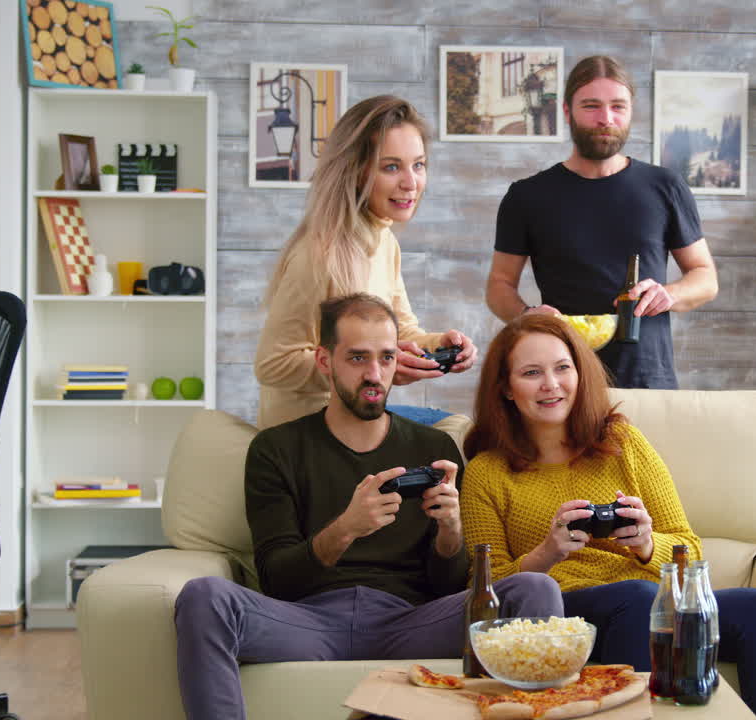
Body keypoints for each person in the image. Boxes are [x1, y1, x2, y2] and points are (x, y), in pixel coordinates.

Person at [174, 294, 562, 720]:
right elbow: (277, 580)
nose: (375, 374)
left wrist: (451, 532)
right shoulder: (276, 449)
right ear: (325, 361)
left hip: (410, 621)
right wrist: (346, 528)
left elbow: (450, 587)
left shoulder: (434, 446)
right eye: (357, 358)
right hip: (309, 622)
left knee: (535, 589)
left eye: (386, 358)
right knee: (203, 596)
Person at [459, 314, 756, 720]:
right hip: (569, 613)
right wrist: (546, 553)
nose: (551, 384)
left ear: (580, 372)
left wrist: (646, 545)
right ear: (505, 388)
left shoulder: (621, 442)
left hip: (652, 603)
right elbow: (485, 590)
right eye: (531, 373)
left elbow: (690, 554)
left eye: (562, 368)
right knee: (638, 599)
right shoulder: (488, 471)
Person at [486, 55, 718, 390]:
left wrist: (668, 294)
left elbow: (705, 277)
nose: (605, 118)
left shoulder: (665, 186)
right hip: (562, 384)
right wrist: (526, 316)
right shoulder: (526, 196)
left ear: (630, 111)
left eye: (617, 107)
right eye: (591, 106)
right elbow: (499, 285)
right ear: (567, 112)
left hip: (648, 380)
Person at [256, 95, 478, 429]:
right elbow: (274, 363)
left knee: (462, 430)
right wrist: (375, 367)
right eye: (391, 167)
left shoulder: (384, 242)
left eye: (418, 165)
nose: (411, 182)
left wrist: (440, 347)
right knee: (452, 437)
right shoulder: (318, 255)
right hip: (309, 430)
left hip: (354, 417)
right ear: (356, 172)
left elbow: (400, 330)